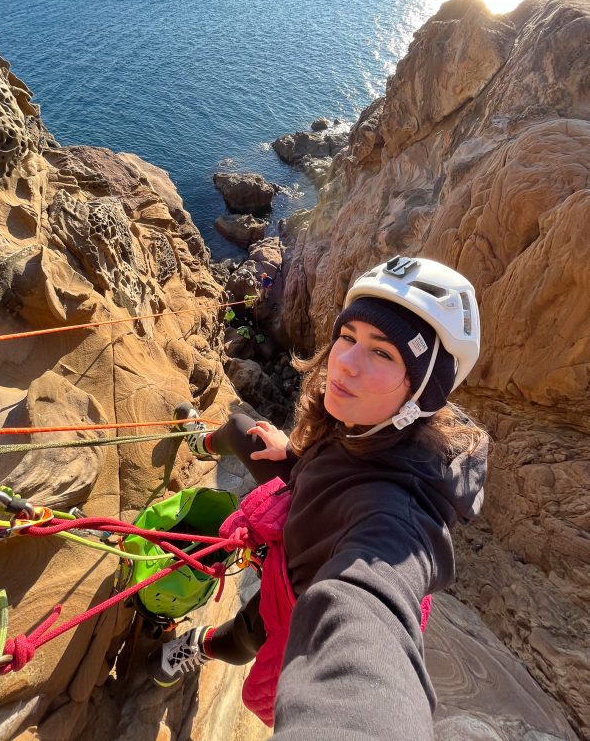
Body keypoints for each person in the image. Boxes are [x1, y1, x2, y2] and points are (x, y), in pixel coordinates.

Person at [148, 256, 488, 739]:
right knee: (243, 427)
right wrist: (292, 453)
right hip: (300, 521)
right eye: (348, 338)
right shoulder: (365, 422)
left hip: (301, 589)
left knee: (247, 633)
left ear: (423, 395)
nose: (344, 364)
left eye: (384, 353)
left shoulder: (396, 520)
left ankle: (199, 646)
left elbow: (370, 623)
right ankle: (202, 441)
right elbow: (337, 463)